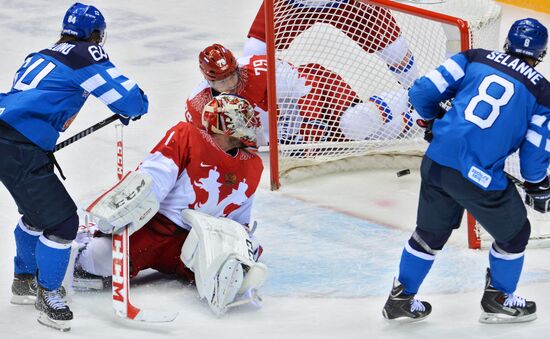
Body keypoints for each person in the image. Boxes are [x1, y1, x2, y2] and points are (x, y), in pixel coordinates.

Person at [382, 18, 549, 323]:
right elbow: (534, 154)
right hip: (477, 177)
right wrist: (539, 186)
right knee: (516, 235)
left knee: (429, 233)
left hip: (436, 161)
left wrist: (433, 122)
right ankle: (499, 298)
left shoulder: (474, 57)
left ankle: (401, 297)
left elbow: (421, 92)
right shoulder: (542, 93)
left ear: (507, 44)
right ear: (541, 54)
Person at [0, 3, 148, 331]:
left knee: (37, 216)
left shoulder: (40, 54)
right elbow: (129, 98)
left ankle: (24, 282)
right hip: (20, 147)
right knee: (64, 224)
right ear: (95, 34)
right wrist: (136, 105)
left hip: (11, 141)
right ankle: (48, 294)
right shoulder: (85, 54)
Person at [72, 94, 267, 316]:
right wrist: (124, 210)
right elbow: (153, 178)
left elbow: (239, 219)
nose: (248, 128)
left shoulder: (252, 165)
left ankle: (236, 269)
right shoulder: (188, 135)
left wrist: (240, 243)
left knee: (231, 271)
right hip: (152, 228)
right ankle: (82, 244)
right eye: (242, 121)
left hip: (196, 241)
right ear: (224, 124)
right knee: (96, 261)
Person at [186, 43, 416, 146]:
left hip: (321, 91)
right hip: (288, 121)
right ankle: (416, 121)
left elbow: (306, 90)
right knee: (366, 139)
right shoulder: (199, 102)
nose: (228, 85)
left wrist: (305, 128)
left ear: (237, 69)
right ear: (208, 80)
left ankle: (418, 95)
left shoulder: (263, 70)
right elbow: (205, 141)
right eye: (221, 81)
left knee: (353, 126)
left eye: (231, 77)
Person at [242, 0, 418, 89]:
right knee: (253, 51)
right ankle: (246, 111)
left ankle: (420, 100)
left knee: (396, 51)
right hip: (294, 3)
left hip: (347, 3)